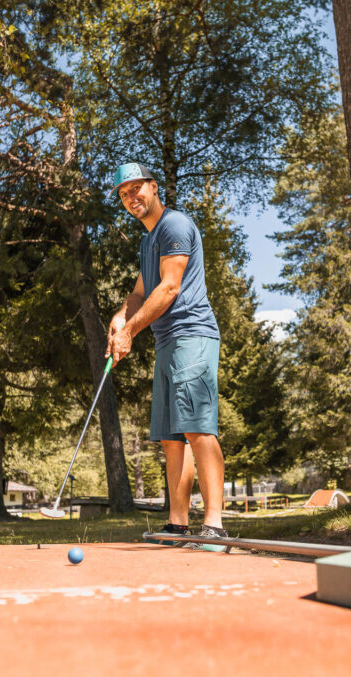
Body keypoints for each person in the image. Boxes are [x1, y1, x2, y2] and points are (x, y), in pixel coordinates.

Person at [105, 163, 227, 549]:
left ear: (154, 187)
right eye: (124, 194)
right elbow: (142, 291)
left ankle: (215, 526)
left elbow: (170, 288)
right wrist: (120, 315)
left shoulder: (174, 225)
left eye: (136, 188)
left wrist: (130, 332)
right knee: (173, 438)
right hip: (166, 341)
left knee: (197, 427)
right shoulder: (147, 240)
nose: (131, 198)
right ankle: (177, 524)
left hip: (192, 334)